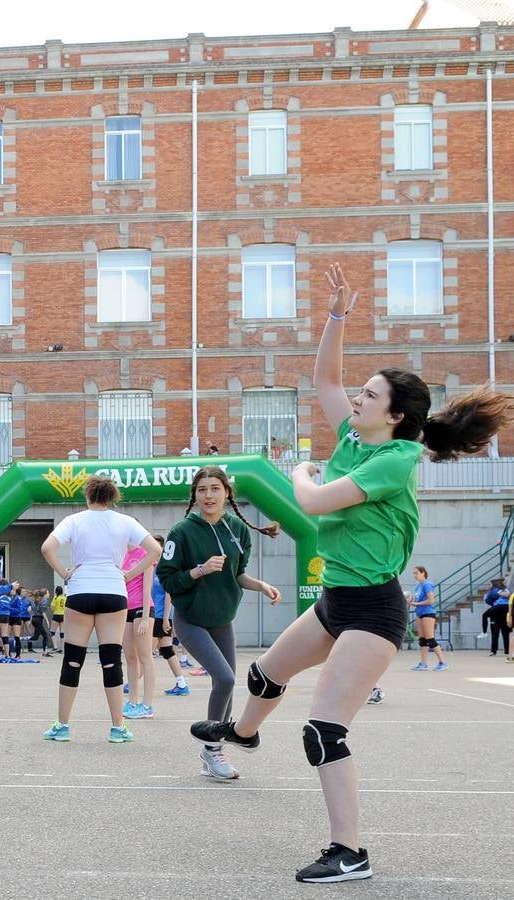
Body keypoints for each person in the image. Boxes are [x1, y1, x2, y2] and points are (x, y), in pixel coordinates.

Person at [191, 262, 514, 883]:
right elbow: (325, 377)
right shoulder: (358, 437)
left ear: (394, 416)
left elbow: (310, 503)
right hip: (336, 599)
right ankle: (243, 734)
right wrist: (337, 316)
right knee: (263, 675)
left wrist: (301, 471)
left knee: (323, 730)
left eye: (370, 395)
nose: (356, 397)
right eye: (361, 392)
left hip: (373, 609)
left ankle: (351, 853)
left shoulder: (394, 459)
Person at [156, 466, 281, 779]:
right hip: (191, 619)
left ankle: (211, 750)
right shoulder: (182, 532)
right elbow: (168, 579)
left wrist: (261, 585)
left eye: (214, 489)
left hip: (223, 619)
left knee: (226, 684)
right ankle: (213, 749)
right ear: (194, 495)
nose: (208, 495)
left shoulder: (237, 529)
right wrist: (200, 570)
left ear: (227, 493)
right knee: (224, 679)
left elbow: (237, 575)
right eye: (201, 490)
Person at [40, 474, 161, 744]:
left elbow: (47, 547)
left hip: (81, 590)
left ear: (88, 495)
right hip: (114, 591)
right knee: (111, 659)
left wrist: (65, 573)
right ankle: (118, 728)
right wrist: (130, 574)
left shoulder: (74, 520)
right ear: (112, 497)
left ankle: (62, 726)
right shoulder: (125, 521)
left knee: (73, 659)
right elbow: (154, 550)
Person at [120, 544, 155, 721]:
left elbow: (148, 586)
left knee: (145, 657)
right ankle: (132, 701)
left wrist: (145, 618)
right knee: (130, 658)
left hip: (143, 608)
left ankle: (147, 705)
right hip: (124, 609)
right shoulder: (120, 554)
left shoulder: (145, 554)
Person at [150, 550, 189, 697]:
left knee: (145, 652)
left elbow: (169, 595)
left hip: (160, 616)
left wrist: (166, 618)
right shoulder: (150, 567)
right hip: (157, 615)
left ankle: (133, 681)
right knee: (166, 650)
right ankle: (182, 683)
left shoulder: (164, 569)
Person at [408, 566, 448, 671]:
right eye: (414, 573)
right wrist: (411, 601)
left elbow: (431, 600)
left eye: (416, 573)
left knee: (430, 638)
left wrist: (417, 603)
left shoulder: (427, 584)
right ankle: (423, 663)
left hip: (428, 613)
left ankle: (442, 662)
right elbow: (418, 600)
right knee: (422, 639)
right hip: (419, 613)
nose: (415, 575)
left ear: (423, 573)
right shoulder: (418, 587)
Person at [482, 578, 511, 657]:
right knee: (496, 633)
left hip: (501, 611)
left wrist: (497, 595)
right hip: (497, 612)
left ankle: (504, 651)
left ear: (494, 584)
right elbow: (487, 600)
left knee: (503, 633)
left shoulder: (502, 590)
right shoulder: (494, 591)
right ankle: (496, 651)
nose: (489, 586)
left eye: (490, 584)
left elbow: (508, 595)